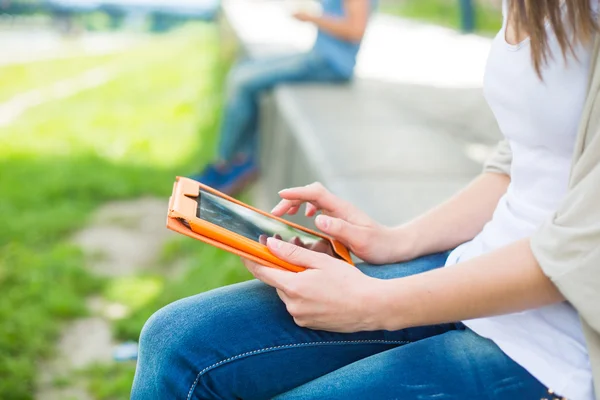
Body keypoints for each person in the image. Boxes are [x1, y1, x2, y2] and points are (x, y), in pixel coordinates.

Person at [131, 0, 600, 398]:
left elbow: (584, 252)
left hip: (563, 342)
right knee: (176, 342)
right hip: (474, 264)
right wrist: (398, 240)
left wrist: (374, 303)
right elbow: (522, 158)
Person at [190, 0, 375, 195]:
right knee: (244, 69)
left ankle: (226, 165)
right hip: (318, 56)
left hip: (329, 64)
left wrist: (311, 18)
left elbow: (355, 29)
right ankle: (240, 160)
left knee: (243, 80)